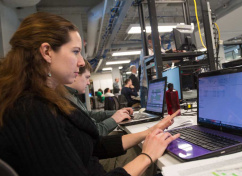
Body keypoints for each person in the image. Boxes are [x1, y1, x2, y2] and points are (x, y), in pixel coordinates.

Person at [0, 12, 180, 176]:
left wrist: (148, 132)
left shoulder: (48, 98)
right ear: (47, 52)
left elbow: (93, 147)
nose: (80, 62)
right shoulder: (31, 110)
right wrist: (147, 156)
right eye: (75, 52)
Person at [65, 60, 128, 136]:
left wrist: (116, 113)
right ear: (75, 74)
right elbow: (96, 130)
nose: (88, 82)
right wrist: (114, 119)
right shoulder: (66, 100)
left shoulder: (73, 96)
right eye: (87, 77)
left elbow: (88, 115)